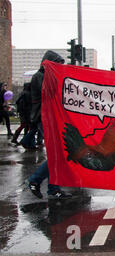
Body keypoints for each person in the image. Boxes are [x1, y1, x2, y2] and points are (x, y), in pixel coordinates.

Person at [27, 50, 72, 200]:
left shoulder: (44, 76)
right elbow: (50, 92)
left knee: (58, 154)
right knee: (56, 155)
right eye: (57, 65)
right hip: (44, 119)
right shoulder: (39, 77)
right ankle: (36, 180)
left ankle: (53, 188)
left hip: (50, 119)